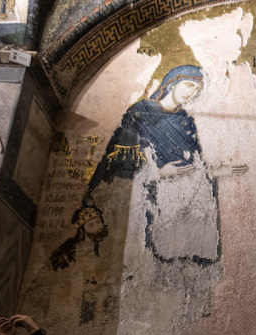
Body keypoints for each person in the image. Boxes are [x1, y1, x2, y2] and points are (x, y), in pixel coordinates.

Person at [87, 65, 247, 264]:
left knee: (187, 267)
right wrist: (157, 173)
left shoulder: (186, 121)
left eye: (197, 91)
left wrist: (212, 172)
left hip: (185, 207)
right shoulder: (139, 113)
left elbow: (191, 166)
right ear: (172, 82)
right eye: (188, 85)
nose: (190, 93)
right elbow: (120, 165)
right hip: (153, 205)